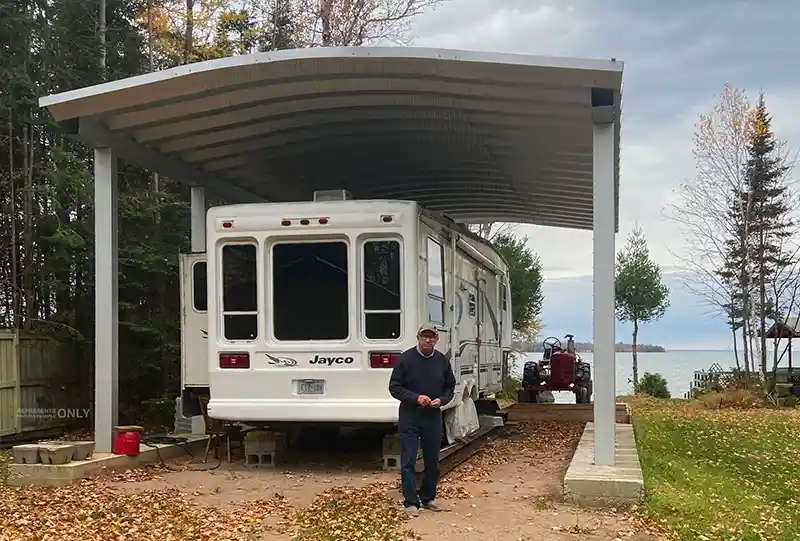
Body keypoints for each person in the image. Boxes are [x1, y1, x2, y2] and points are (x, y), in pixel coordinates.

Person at [388, 324, 456, 517]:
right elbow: (395, 387)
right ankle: (411, 501)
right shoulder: (406, 359)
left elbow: (450, 387)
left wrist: (441, 401)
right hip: (410, 416)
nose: (428, 340)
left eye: (432, 337)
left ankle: (429, 498)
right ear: (417, 337)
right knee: (408, 459)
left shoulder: (442, 360)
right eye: (425, 337)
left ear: (437, 339)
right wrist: (415, 397)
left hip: (432, 417)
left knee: (432, 461)